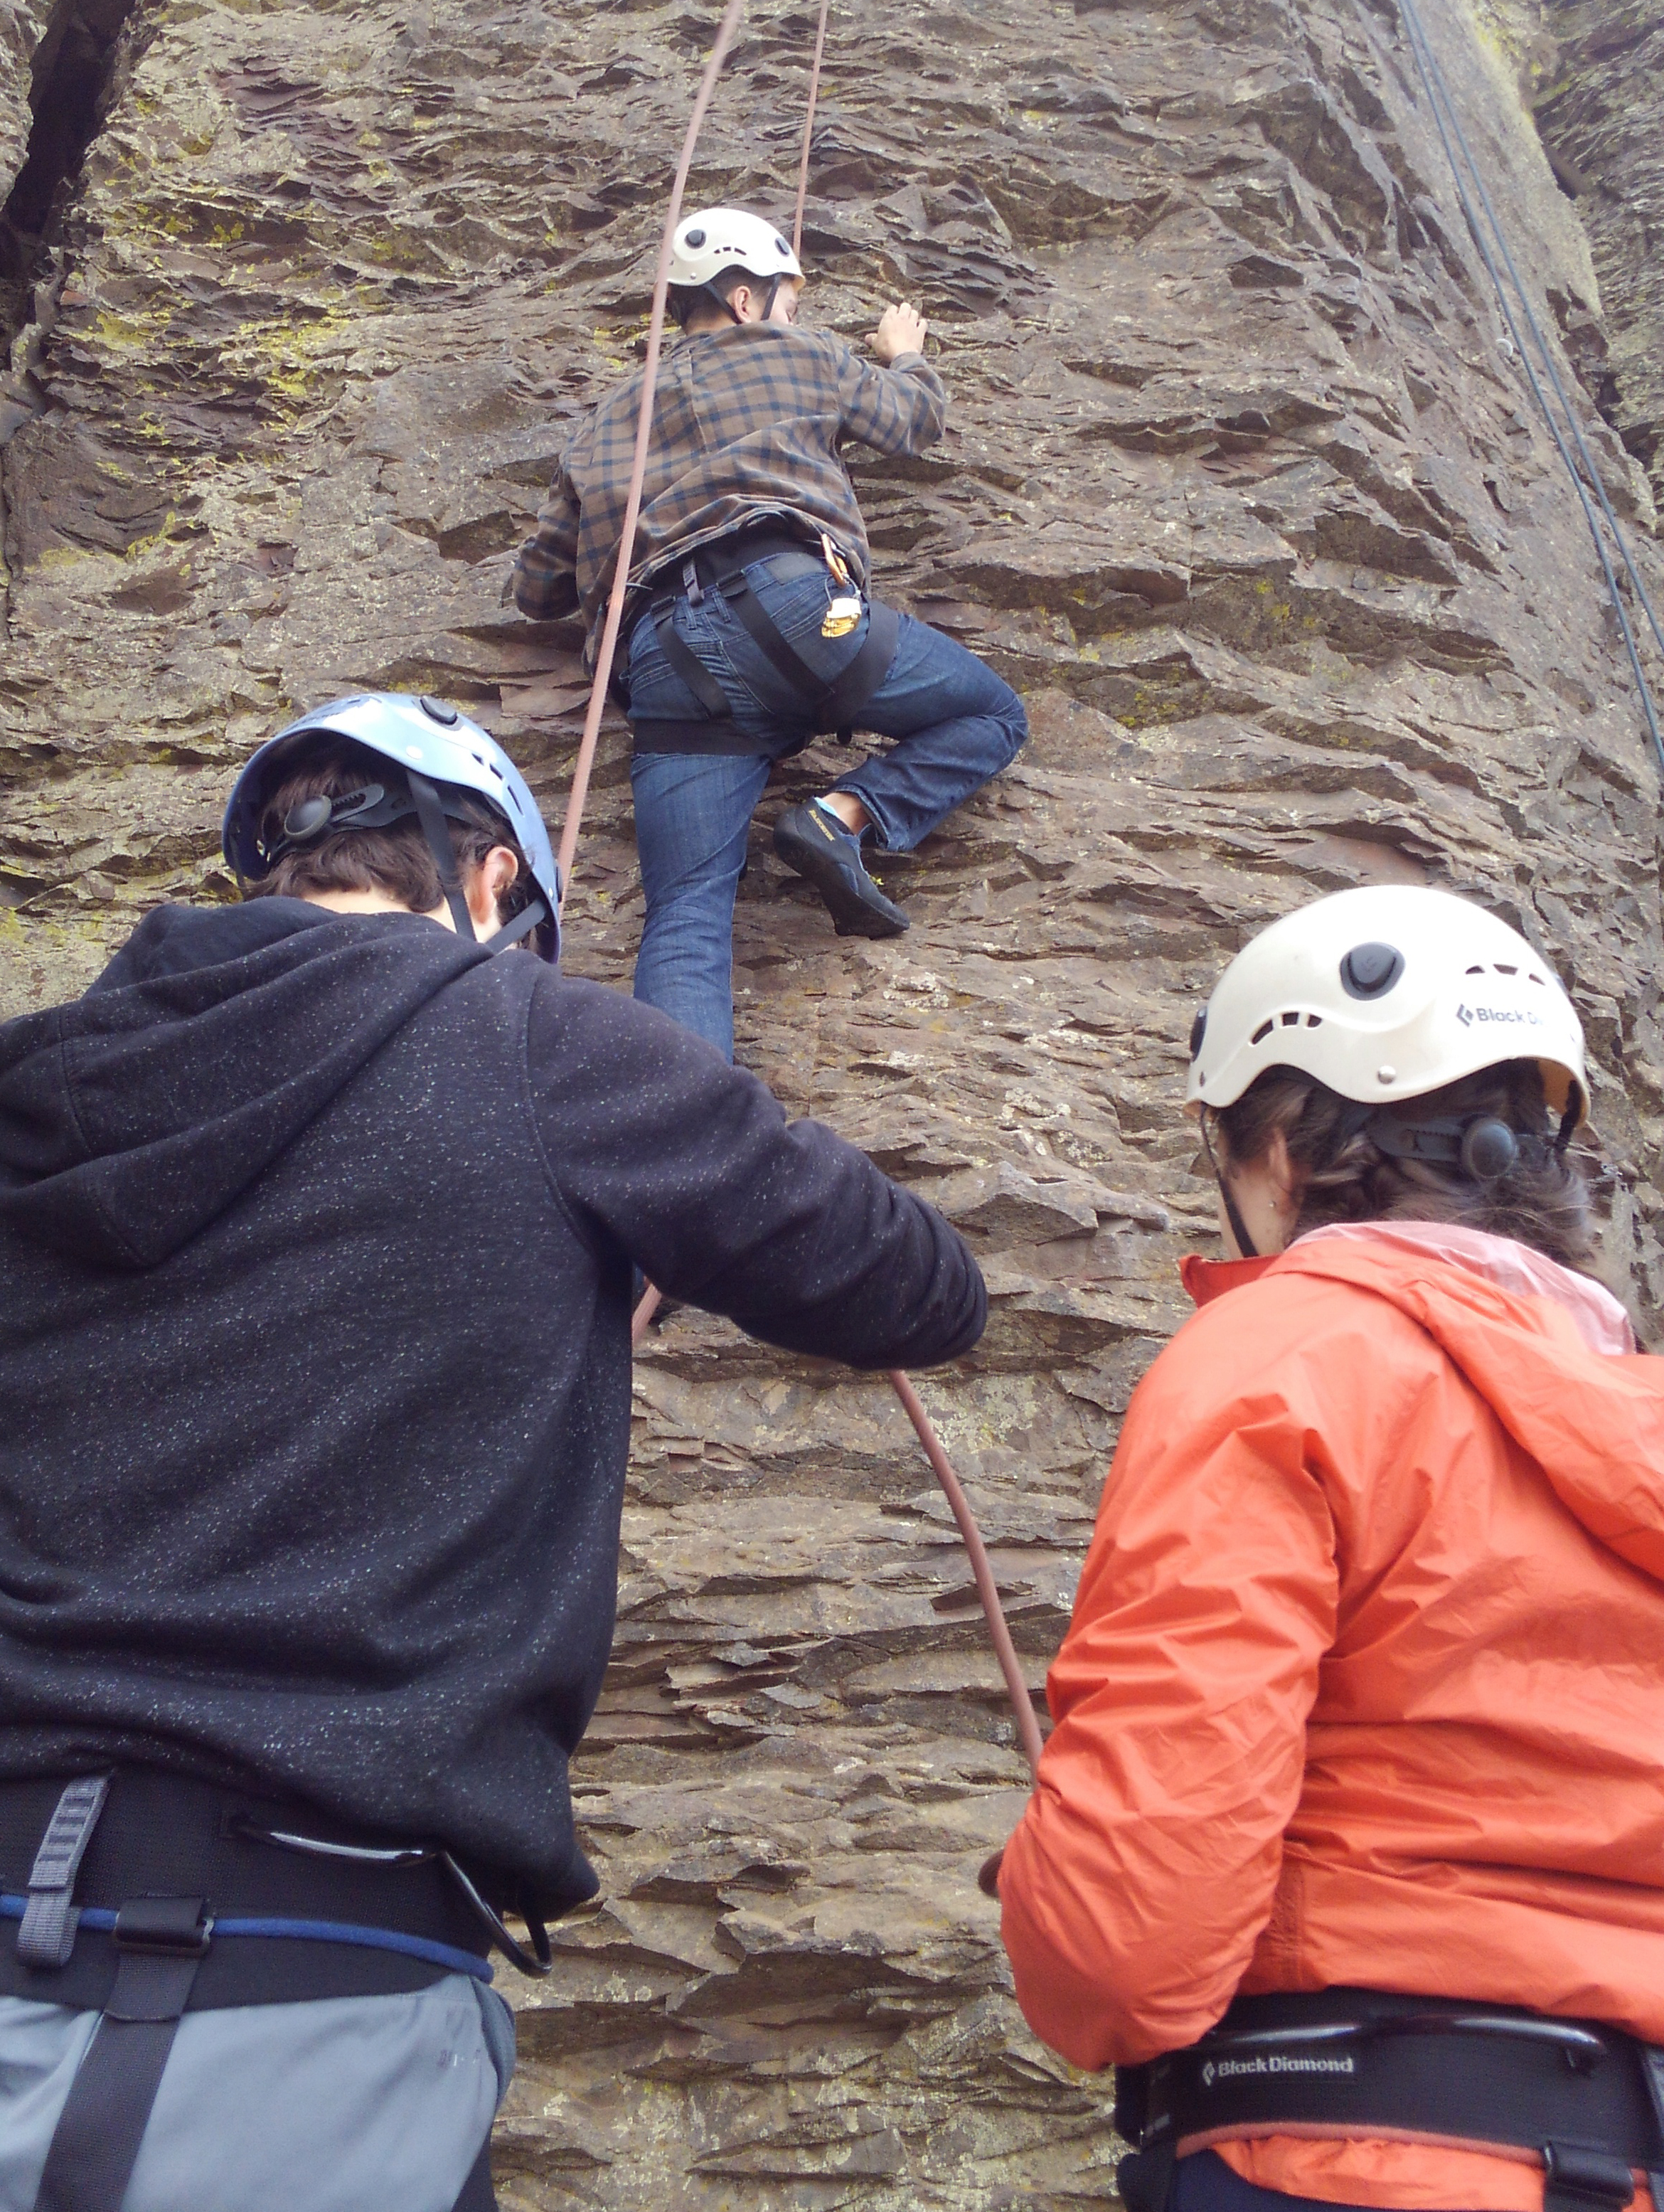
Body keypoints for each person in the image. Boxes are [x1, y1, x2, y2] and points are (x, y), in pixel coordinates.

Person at [0, 691, 987, 2212]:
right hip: (319, 1962)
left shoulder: (40, 1084)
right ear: (490, 883)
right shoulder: (534, 1034)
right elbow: (911, 1284)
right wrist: (592, 1234)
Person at [991, 886, 1664, 2212]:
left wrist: (1042, 1885)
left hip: (1346, 2156)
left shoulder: (1279, 1359)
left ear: (1283, 1153)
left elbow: (1130, 1941)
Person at [511, 204, 1028, 1060]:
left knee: (685, 917)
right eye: (789, 300)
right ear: (745, 300)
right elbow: (911, 422)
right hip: (793, 607)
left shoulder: (606, 424)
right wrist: (907, 354)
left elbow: (536, 590)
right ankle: (841, 815)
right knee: (993, 716)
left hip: (667, 666)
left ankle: (689, 1142)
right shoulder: (806, 356)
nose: (794, 316)